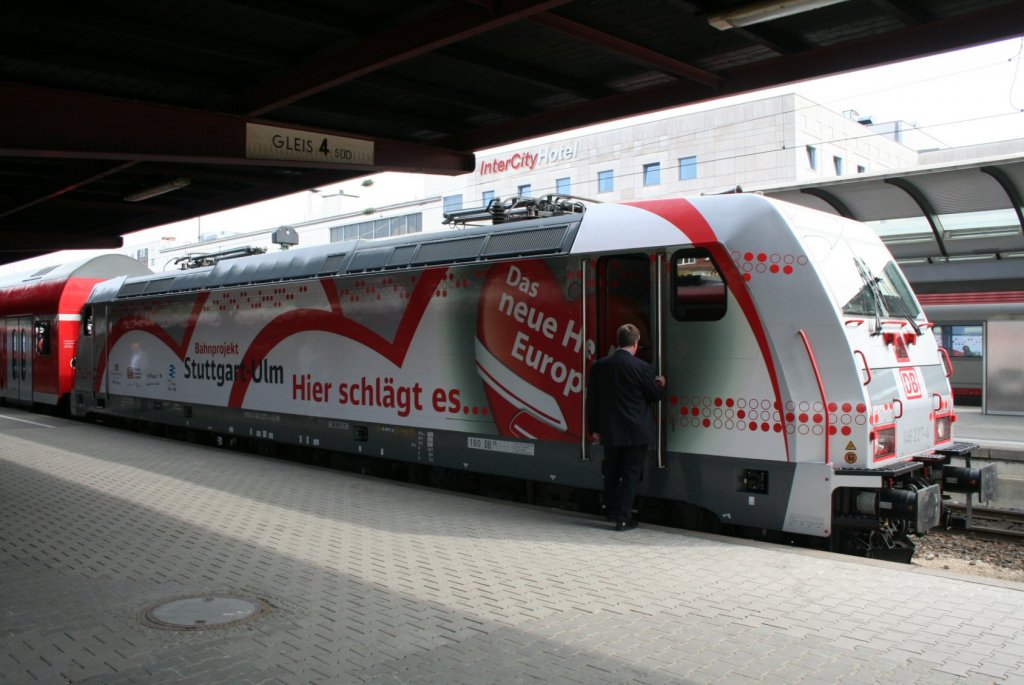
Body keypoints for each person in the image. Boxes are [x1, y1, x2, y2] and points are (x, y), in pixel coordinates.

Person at [586, 323, 666, 531]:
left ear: (619, 341)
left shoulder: (599, 366)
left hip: (610, 431)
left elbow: (592, 400)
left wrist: (594, 428)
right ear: (636, 344)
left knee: (611, 472)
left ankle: (611, 511)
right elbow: (655, 397)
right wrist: (659, 384)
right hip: (636, 432)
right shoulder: (642, 368)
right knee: (630, 474)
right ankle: (623, 519)